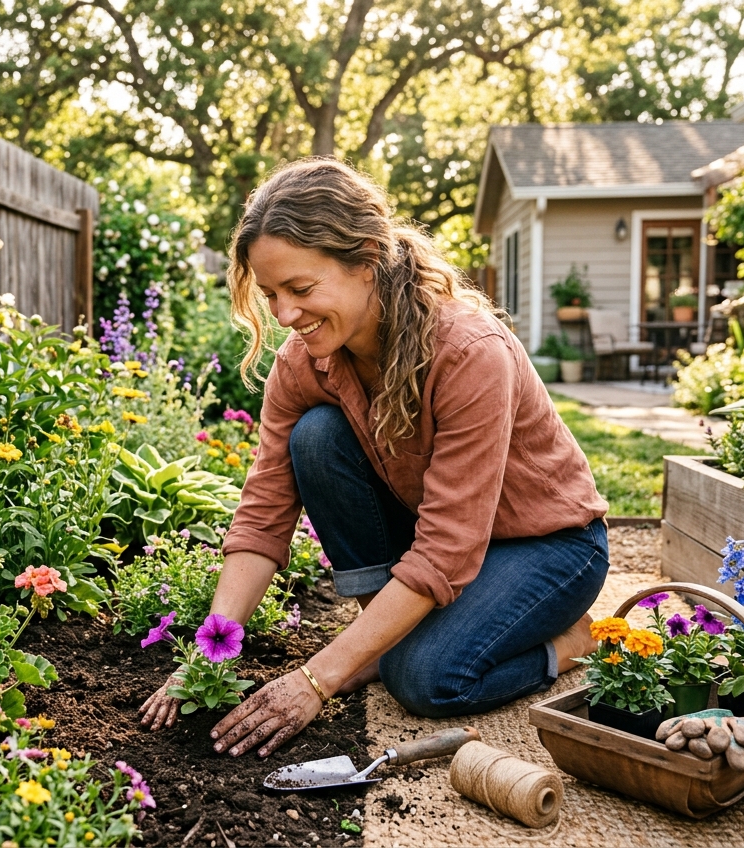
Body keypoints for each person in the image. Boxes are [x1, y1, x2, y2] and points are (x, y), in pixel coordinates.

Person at [138, 158, 608, 759]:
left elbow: (446, 546)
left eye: (301, 289)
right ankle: (379, 643)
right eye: (271, 294)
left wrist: (317, 679)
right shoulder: (305, 361)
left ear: (365, 259)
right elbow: (264, 513)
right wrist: (206, 653)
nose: (283, 315)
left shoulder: (469, 352)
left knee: (425, 678)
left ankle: (571, 642)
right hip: (451, 539)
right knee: (315, 435)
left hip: (548, 546)